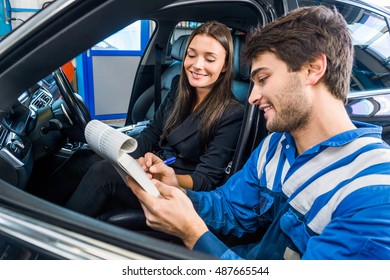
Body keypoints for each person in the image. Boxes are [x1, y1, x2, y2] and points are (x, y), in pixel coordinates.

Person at [126, 6, 390, 260]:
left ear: (313, 69)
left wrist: (193, 234)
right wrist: (178, 195)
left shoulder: (372, 192)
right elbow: (230, 208)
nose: (252, 97)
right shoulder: (275, 147)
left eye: (263, 79)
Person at [39, 21, 244, 217]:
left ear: (225, 66)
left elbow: (205, 180)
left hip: (174, 188)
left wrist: (168, 177)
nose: (197, 65)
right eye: (191, 55)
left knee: (103, 173)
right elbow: (153, 132)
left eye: (209, 59)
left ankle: (53, 236)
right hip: (151, 165)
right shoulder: (178, 87)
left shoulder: (232, 113)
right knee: (83, 158)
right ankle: (36, 211)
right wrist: (121, 153)